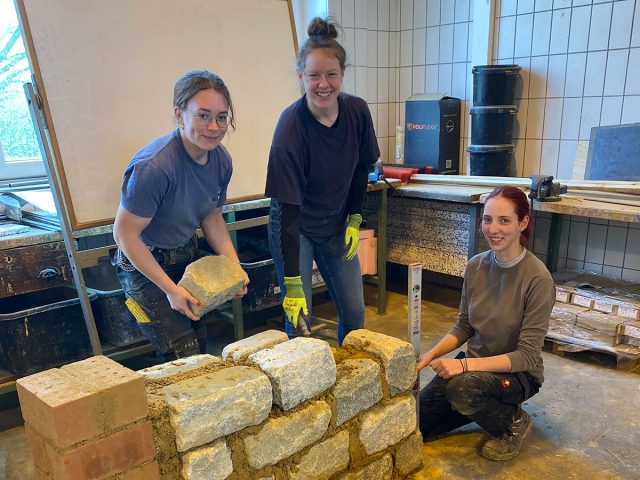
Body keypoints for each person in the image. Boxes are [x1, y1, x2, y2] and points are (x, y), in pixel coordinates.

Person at [113, 69, 249, 360]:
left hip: (184, 255)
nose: (214, 126)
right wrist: (170, 290)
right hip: (143, 264)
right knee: (182, 350)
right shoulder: (154, 167)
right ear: (179, 115)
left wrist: (234, 268)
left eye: (222, 117)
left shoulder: (221, 159)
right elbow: (124, 234)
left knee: (199, 345)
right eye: (203, 115)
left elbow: (211, 215)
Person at [416, 185, 555, 461]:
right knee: (416, 425)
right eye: (488, 219)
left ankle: (513, 422)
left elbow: (527, 356)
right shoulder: (476, 266)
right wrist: (427, 356)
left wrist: (463, 366)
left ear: (522, 223)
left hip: (517, 375)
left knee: (462, 389)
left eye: (504, 220)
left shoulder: (538, 279)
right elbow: (464, 326)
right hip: (474, 366)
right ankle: (467, 405)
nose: (493, 229)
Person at [265, 17, 379, 345]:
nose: (323, 83)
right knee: (300, 321)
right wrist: (292, 281)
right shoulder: (290, 127)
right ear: (301, 77)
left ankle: (352, 383)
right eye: (314, 75)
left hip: (336, 223)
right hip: (294, 227)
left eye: (331, 74)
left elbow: (361, 168)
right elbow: (287, 209)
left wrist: (355, 218)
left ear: (343, 73)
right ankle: (303, 393)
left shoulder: (357, 111)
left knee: (355, 313)